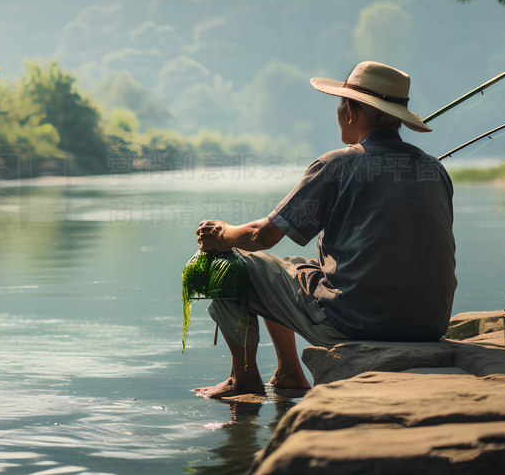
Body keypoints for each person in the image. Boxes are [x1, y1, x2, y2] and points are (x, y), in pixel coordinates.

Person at [193, 61, 457, 399]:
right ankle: (289, 373)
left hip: (357, 324)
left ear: (352, 110)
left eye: (341, 104)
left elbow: (263, 237)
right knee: (289, 267)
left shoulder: (338, 164)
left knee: (228, 264)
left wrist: (222, 233)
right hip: (429, 325)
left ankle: (242, 382)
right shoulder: (434, 169)